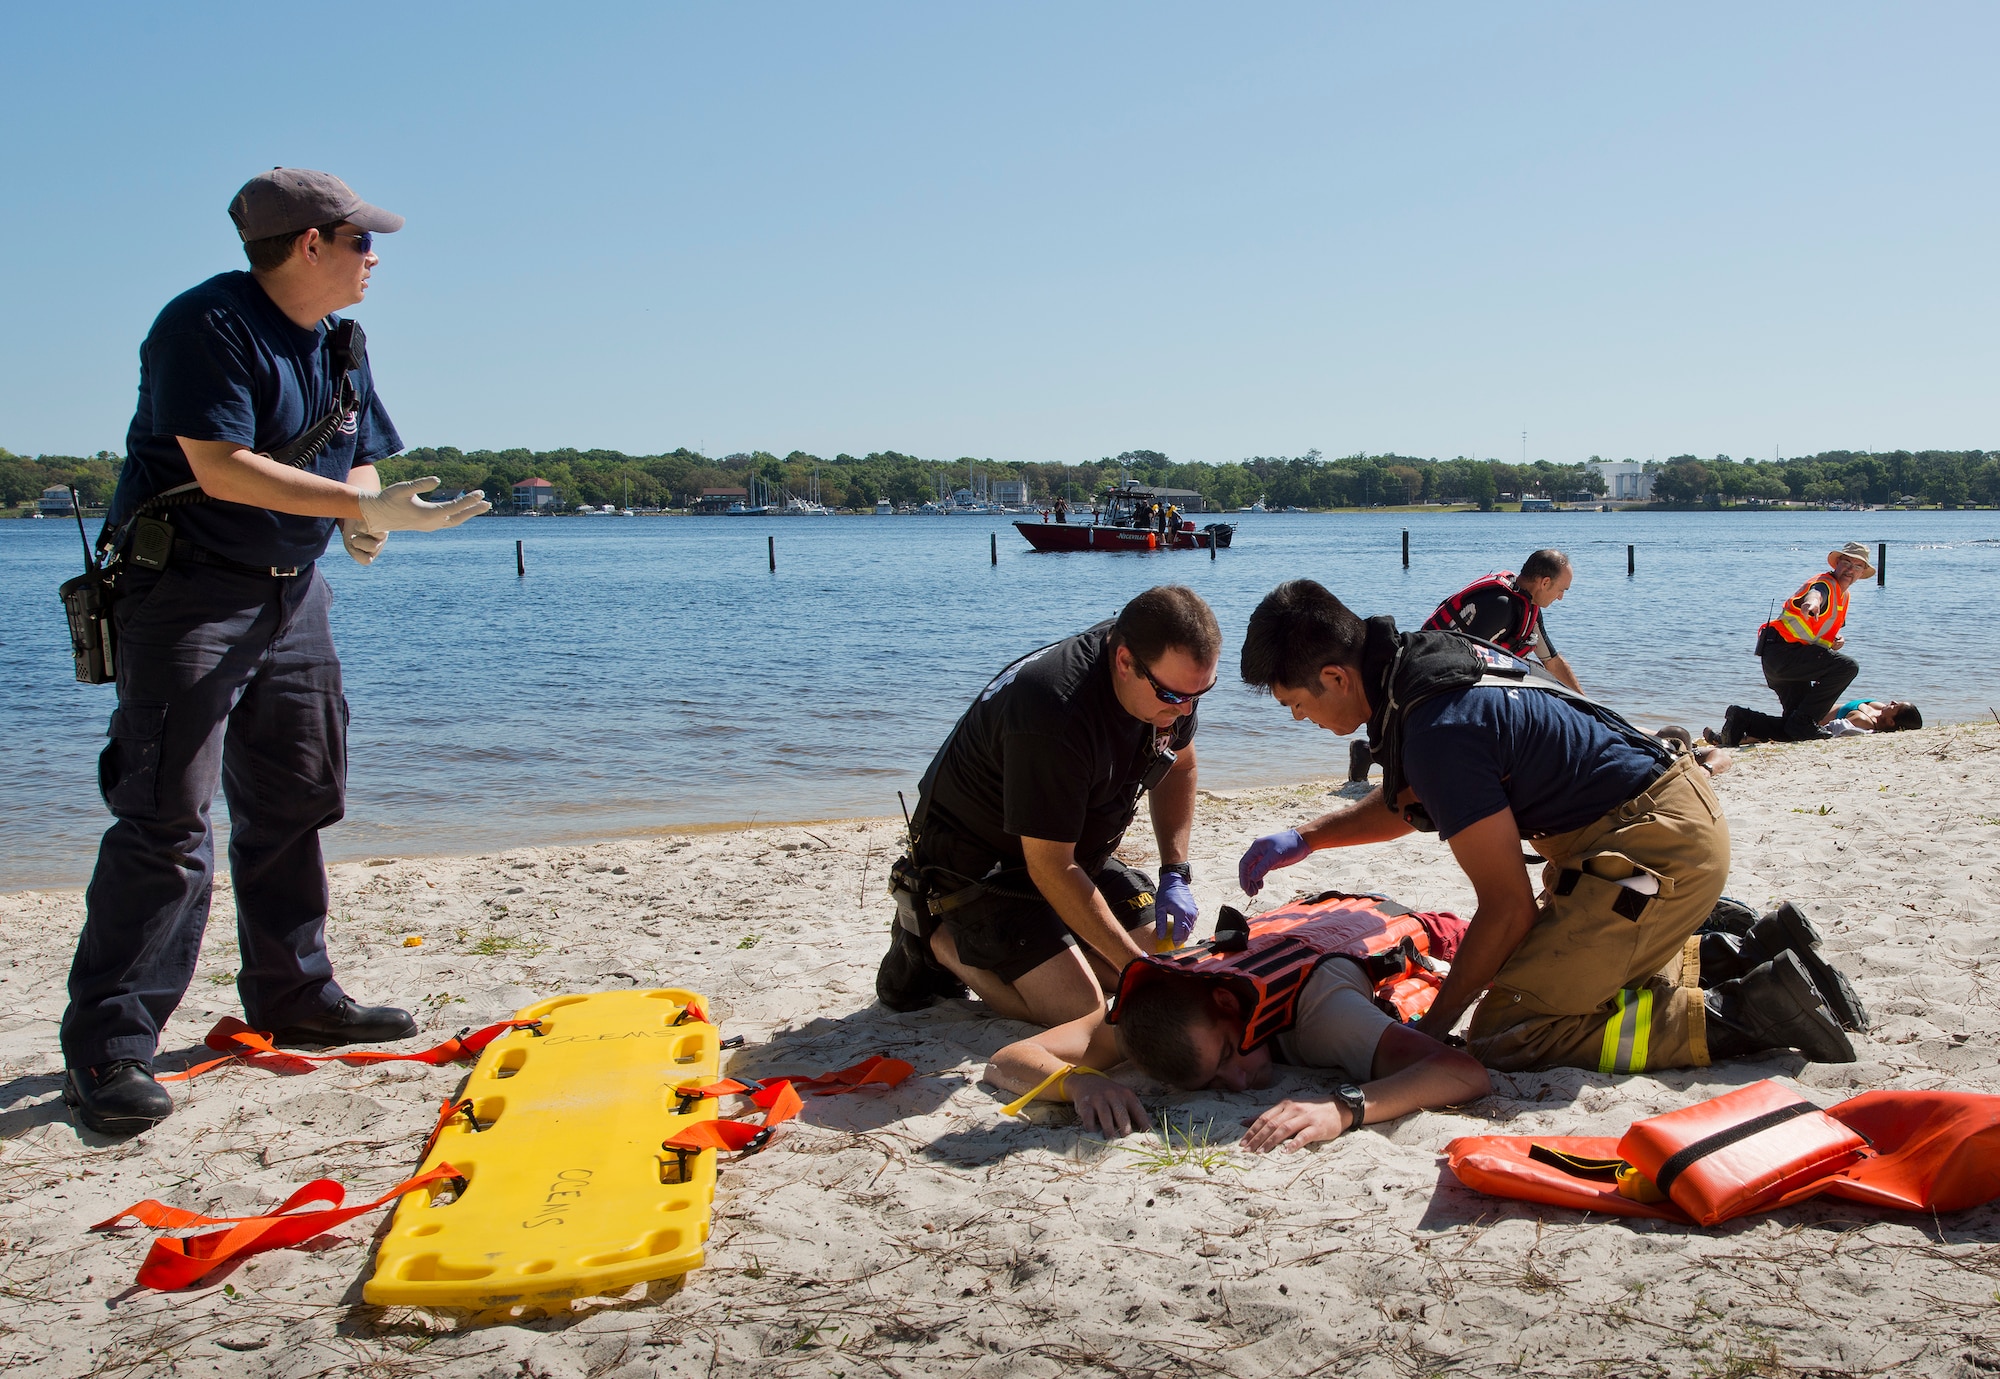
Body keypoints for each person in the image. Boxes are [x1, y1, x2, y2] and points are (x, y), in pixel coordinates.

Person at [60, 169, 490, 1136]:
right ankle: (110, 1042)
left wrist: (370, 511)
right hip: (186, 599)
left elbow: (358, 444)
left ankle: (293, 992)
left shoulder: (341, 338)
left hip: (292, 596)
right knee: (165, 819)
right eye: (361, 241)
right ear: (309, 244)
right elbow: (220, 467)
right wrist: (355, 506)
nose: (374, 258)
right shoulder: (203, 326)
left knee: (298, 798)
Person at [1231, 579, 1861, 1077]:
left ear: (1336, 677)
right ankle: (1742, 952)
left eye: (1297, 704)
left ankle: (1748, 1011)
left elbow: (1506, 911)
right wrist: (1308, 838)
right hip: (1659, 827)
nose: (1299, 719)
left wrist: (1433, 1030)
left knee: (1508, 1029)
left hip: (1653, 852)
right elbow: (1408, 803)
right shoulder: (1422, 664)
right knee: (1540, 975)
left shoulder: (1436, 729)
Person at [876, 586, 1218, 1028]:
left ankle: (1068, 948)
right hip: (982, 872)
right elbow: (1050, 869)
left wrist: (1175, 870)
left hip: (1069, 853)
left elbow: (1179, 767)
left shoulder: (1167, 685)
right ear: (1125, 662)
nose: (1187, 708)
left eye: (1201, 693)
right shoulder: (1055, 711)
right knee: (1079, 1008)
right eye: (1174, 696)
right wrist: (1137, 971)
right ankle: (938, 944)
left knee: (1165, 945)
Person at [984, 897, 1492, 1147]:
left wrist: (1343, 1108)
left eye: (1227, 1055)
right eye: (1214, 1081)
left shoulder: (1327, 1014)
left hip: (1402, 927)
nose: (1238, 1083)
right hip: (1316, 919)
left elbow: (1465, 1073)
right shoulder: (1157, 1011)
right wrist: (1080, 1084)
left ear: (1229, 1005)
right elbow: (1006, 1061)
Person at [1714, 543, 1872, 747]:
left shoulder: (1844, 596)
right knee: (1848, 667)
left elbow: (1817, 629)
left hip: (1786, 660)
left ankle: (1742, 719)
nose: (1850, 569)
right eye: (1847, 562)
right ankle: (1803, 722)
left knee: (1794, 730)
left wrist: (1834, 641)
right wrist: (1811, 603)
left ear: (1861, 573)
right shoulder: (1825, 583)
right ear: (1837, 564)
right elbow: (1816, 594)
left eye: (1857, 566)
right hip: (1784, 654)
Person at [1422, 549, 1582, 693]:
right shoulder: (1500, 606)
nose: (1560, 597)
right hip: (1430, 673)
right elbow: (1468, 664)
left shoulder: (1529, 605)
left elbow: (1552, 663)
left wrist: (1591, 707)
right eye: (1561, 590)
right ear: (1545, 582)